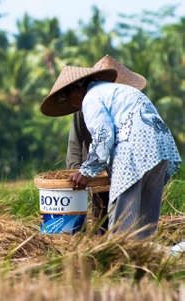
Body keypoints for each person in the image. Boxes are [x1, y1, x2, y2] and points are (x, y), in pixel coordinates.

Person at [41, 64, 181, 239]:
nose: (68, 101)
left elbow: (103, 135)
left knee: (123, 219)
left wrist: (87, 171)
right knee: (145, 218)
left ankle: (119, 259)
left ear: (77, 89)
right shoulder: (115, 91)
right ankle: (145, 256)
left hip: (134, 149)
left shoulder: (91, 98)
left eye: (66, 95)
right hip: (160, 149)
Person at [66, 55, 147, 235]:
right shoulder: (85, 108)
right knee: (103, 218)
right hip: (98, 170)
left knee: (129, 219)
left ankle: (126, 251)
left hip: (124, 166)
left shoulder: (128, 103)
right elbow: (76, 145)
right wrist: (81, 172)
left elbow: (109, 137)